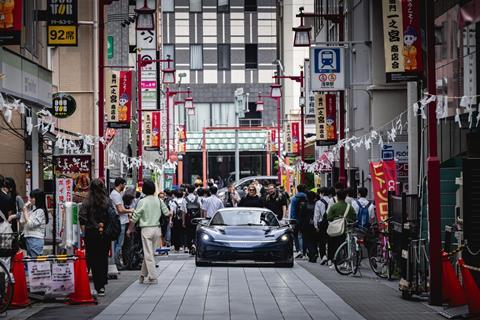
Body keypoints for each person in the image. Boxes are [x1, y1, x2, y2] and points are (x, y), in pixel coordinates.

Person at [128, 179, 168, 285]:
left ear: (144, 190)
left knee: (148, 254)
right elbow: (167, 213)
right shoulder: (159, 200)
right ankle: (142, 276)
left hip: (146, 229)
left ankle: (153, 277)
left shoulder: (142, 201)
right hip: (157, 229)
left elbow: (135, 217)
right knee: (149, 253)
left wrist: (129, 229)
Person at [79, 180, 112, 296]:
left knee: (91, 258)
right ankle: (101, 286)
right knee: (102, 259)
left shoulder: (86, 202)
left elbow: (82, 218)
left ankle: (83, 283)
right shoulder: (107, 201)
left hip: (91, 233)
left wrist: (85, 233)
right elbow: (111, 216)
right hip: (104, 234)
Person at [326, 188, 357, 268]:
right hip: (347, 229)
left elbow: (328, 217)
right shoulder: (349, 207)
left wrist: (336, 218)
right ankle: (348, 262)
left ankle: (338, 261)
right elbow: (354, 217)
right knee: (347, 246)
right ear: (345, 197)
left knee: (336, 246)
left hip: (337, 230)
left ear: (337, 196)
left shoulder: (334, 206)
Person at [110, 177, 134, 269]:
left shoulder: (115, 194)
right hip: (120, 222)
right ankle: (116, 263)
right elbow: (120, 210)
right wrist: (130, 210)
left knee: (118, 244)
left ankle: (116, 262)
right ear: (120, 184)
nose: (124, 186)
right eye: (124, 184)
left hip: (119, 221)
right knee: (119, 244)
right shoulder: (116, 195)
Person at [21, 189, 48, 258]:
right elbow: (22, 221)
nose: (30, 200)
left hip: (35, 239)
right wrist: (25, 210)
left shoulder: (40, 211)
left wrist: (25, 211)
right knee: (32, 264)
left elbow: (30, 224)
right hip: (30, 239)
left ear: (38, 198)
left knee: (35, 263)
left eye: (32, 198)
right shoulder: (34, 211)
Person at [183, 185, 203, 253]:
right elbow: (201, 209)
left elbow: (183, 212)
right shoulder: (198, 198)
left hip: (188, 219)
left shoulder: (185, 199)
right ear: (194, 190)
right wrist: (202, 218)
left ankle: (190, 246)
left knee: (188, 233)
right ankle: (194, 244)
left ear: (187, 190)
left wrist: (183, 221)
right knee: (196, 233)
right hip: (197, 219)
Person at [300, 191, 318, 263]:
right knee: (314, 240)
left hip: (306, 226)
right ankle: (315, 252)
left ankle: (312, 254)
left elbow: (301, 216)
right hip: (315, 225)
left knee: (308, 241)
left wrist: (301, 226)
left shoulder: (304, 205)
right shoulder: (316, 205)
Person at [290, 184, 307, 258]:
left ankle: (298, 250)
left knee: (296, 235)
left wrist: (292, 220)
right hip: (305, 220)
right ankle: (304, 252)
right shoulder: (307, 197)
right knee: (304, 236)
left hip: (296, 219)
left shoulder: (294, 198)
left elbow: (292, 210)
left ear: (297, 189)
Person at [313, 187, 330, 265]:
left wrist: (316, 225)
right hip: (330, 223)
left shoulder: (318, 202)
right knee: (330, 240)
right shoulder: (332, 201)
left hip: (321, 224)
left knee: (322, 241)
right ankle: (330, 257)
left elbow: (316, 215)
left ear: (322, 193)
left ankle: (323, 256)